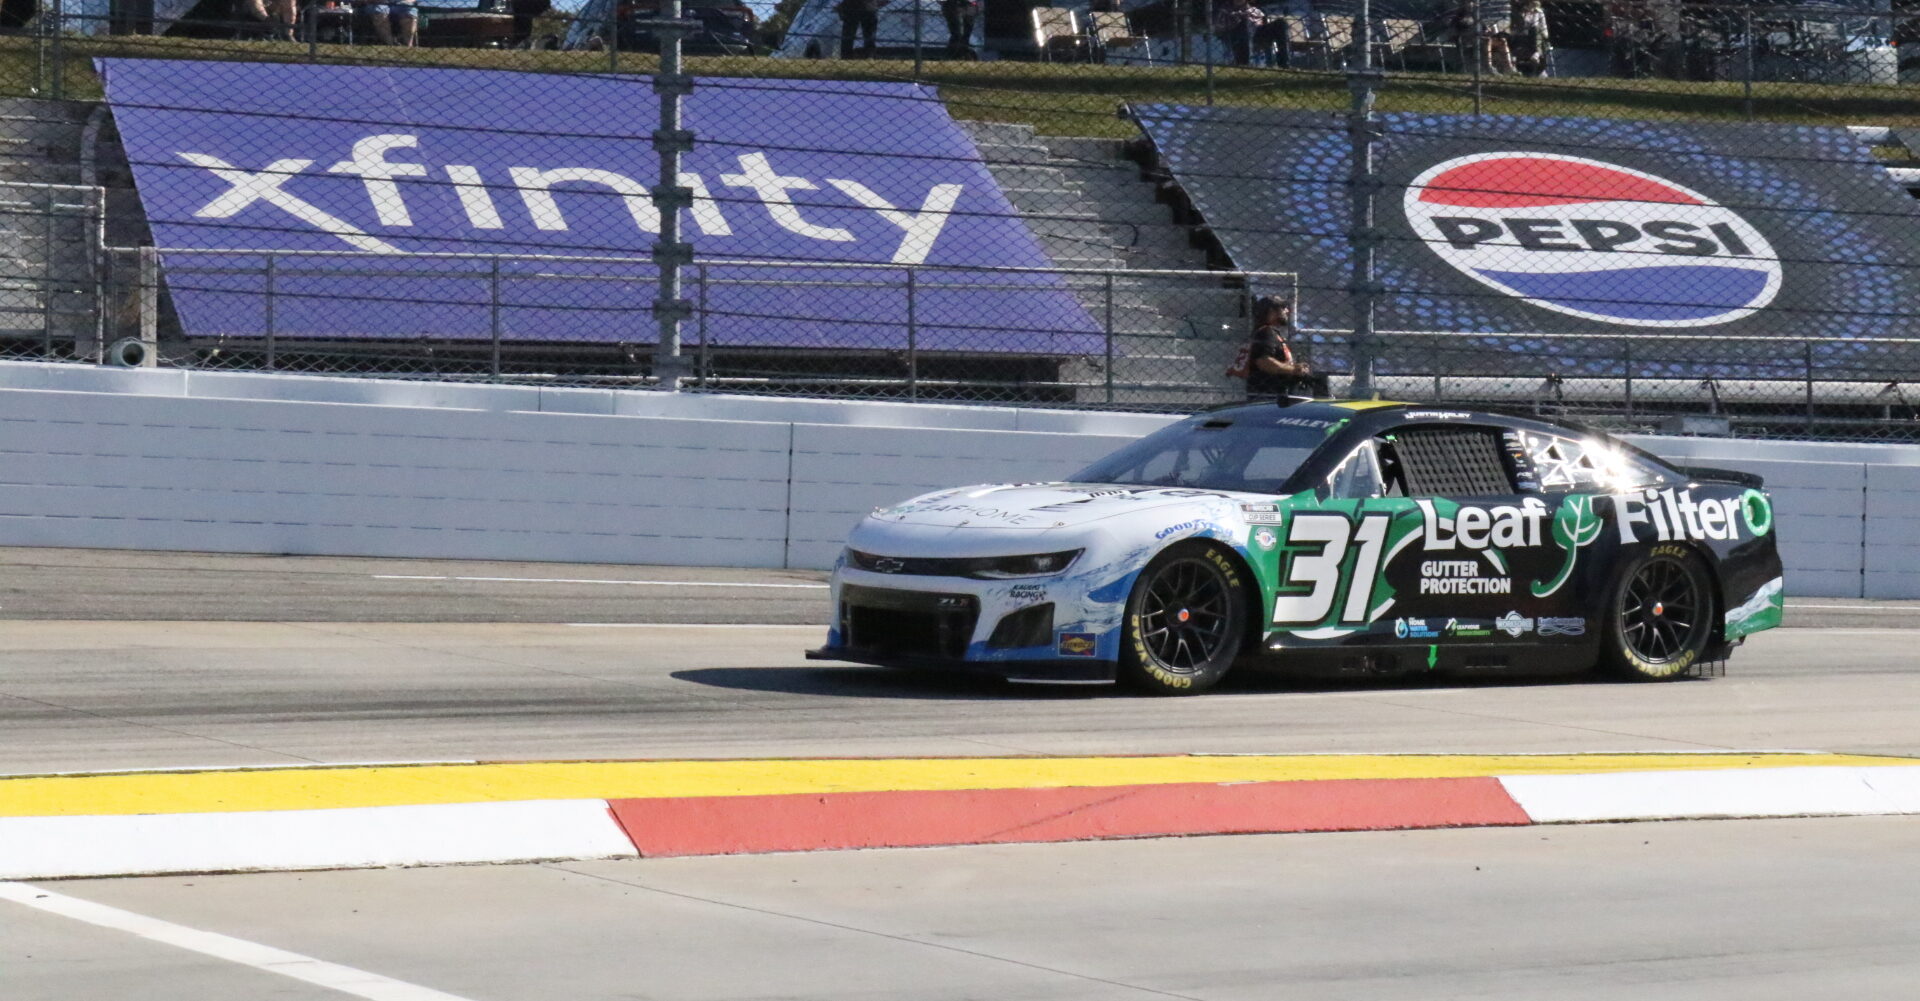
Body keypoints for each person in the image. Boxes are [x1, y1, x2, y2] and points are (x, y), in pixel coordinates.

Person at [1240, 296, 1314, 401]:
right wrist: (1294, 370)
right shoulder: (1266, 332)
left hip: (1269, 396)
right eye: (1283, 308)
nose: (1287, 311)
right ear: (1272, 311)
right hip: (1267, 397)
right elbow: (1264, 362)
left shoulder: (1264, 332)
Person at [1212, 0, 1266, 65]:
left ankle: (1280, 63)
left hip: (1256, 36)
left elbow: (1261, 24)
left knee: (1279, 23)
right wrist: (1236, 20)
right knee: (1243, 25)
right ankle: (1244, 63)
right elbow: (1219, 27)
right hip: (1234, 37)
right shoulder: (1225, 11)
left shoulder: (1254, 10)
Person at [1509, 0, 1550, 76]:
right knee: (1533, 31)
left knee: (1535, 30)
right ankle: (1536, 54)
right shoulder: (1518, 13)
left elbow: (1545, 31)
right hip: (1522, 38)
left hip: (1537, 39)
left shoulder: (1539, 12)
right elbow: (1513, 30)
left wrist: (1537, 31)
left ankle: (1536, 54)